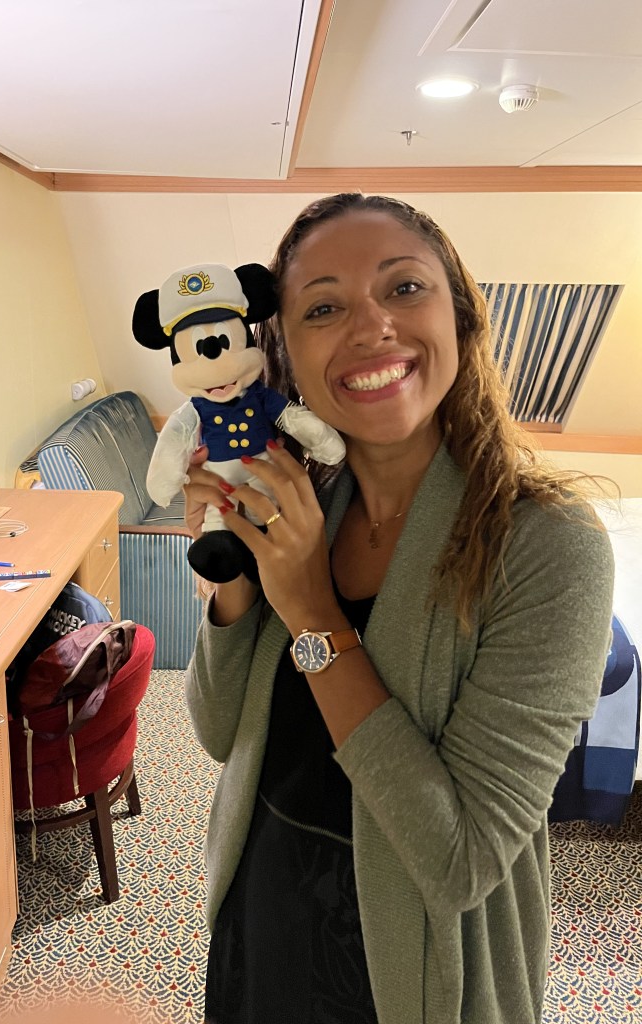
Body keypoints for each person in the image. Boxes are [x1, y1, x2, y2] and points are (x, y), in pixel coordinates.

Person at [182, 193, 615, 1024]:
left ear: (460, 314)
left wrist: (312, 613)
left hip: (415, 978)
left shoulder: (550, 546)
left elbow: (462, 860)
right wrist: (234, 570)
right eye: (323, 308)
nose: (372, 326)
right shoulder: (306, 502)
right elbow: (217, 731)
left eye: (404, 288)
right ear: (284, 356)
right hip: (260, 920)